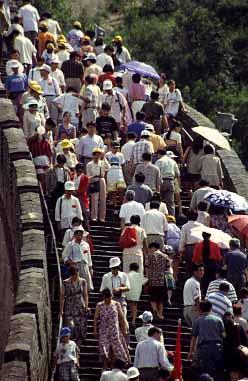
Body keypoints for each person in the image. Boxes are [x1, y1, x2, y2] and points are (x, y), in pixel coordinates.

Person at [93, 288, 130, 369]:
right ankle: (105, 365)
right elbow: (96, 318)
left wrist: (124, 329)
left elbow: (121, 318)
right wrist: (94, 330)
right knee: (103, 348)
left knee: (114, 348)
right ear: (103, 297)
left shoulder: (116, 304)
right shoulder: (99, 305)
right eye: (106, 297)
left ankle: (113, 365)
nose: (108, 299)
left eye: (109, 297)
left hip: (114, 330)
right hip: (104, 330)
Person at [188, 300, 225, 378]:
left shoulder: (197, 321)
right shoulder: (218, 320)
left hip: (204, 349)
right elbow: (224, 335)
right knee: (218, 371)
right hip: (217, 348)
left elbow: (193, 338)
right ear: (211, 308)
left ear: (200, 309)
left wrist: (191, 352)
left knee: (205, 371)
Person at [59, 265, 89, 344]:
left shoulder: (83, 282)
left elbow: (85, 294)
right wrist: (61, 310)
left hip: (80, 306)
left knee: (80, 327)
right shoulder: (65, 282)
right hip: (69, 307)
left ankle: (78, 345)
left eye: (77, 274)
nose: (76, 276)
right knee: (70, 326)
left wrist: (86, 306)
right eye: (74, 275)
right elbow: (62, 296)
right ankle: (70, 344)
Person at [62, 226, 93, 292]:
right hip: (75, 265)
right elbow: (64, 255)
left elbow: (89, 256)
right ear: (75, 235)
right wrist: (70, 262)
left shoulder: (86, 244)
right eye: (78, 234)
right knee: (76, 284)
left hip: (84, 265)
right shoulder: (70, 244)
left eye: (81, 235)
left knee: (87, 285)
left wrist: (90, 268)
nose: (79, 236)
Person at [146, 241, 170, 320]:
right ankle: (160, 313)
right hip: (162, 279)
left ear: (153, 247)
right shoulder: (165, 256)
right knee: (161, 299)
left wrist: (147, 278)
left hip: (152, 279)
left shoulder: (149, 256)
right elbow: (168, 268)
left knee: (153, 297)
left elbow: (147, 267)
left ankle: (154, 309)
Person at [86, 147, 110, 222]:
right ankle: (94, 217)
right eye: (95, 154)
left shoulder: (102, 162)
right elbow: (88, 175)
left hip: (101, 179)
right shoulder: (89, 164)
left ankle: (102, 217)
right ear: (93, 155)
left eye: (98, 154)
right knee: (94, 199)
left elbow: (108, 168)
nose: (97, 156)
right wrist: (92, 178)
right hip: (93, 180)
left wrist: (104, 157)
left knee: (103, 199)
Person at [223, 312, 248, 380]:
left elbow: (223, 342)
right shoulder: (238, 327)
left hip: (229, 355)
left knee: (233, 375)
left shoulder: (224, 329)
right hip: (239, 354)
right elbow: (245, 341)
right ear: (233, 318)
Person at [155, 148, 180, 216]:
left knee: (159, 201)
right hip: (171, 181)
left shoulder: (159, 161)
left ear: (159, 154)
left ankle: (160, 216)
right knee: (170, 203)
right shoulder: (173, 161)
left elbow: (156, 173)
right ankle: (172, 218)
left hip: (161, 181)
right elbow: (177, 174)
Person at [28, 126, 51, 190]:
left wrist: (50, 163)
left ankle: (46, 193)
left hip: (45, 162)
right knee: (41, 177)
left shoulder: (46, 142)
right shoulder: (32, 142)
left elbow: (49, 154)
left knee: (46, 179)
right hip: (37, 162)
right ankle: (42, 193)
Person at [106, 141, 126, 213]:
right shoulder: (107, 155)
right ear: (111, 147)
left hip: (119, 173)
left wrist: (124, 174)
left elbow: (123, 165)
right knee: (113, 192)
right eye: (114, 147)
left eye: (117, 148)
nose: (116, 149)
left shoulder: (121, 155)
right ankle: (115, 207)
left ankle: (122, 205)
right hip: (110, 173)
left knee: (121, 189)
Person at [126, 263, 148, 327]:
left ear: (130, 268)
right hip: (136, 293)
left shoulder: (127, 275)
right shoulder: (139, 275)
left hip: (128, 292)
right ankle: (133, 320)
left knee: (130, 303)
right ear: (137, 269)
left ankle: (131, 314)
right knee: (135, 306)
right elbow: (145, 281)